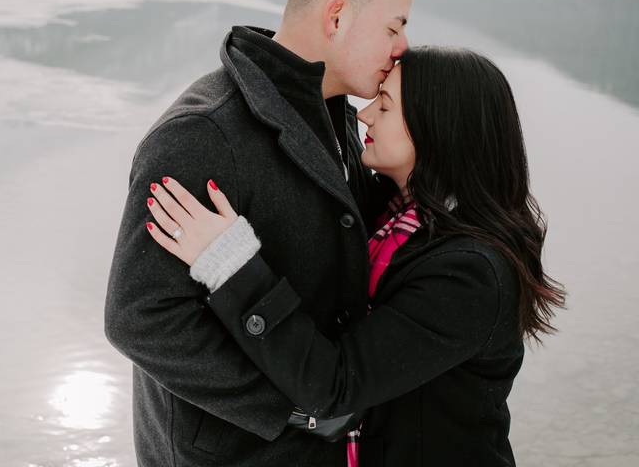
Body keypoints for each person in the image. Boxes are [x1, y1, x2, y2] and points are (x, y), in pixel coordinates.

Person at [143, 47, 566, 466]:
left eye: (384, 104)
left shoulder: (472, 274)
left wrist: (229, 264)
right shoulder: (391, 217)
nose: (364, 115)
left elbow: (336, 385)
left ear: (437, 126)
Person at [104, 0, 414, 466]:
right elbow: (138, 316)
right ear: (337, 16)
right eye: (394, 26)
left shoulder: (333, 112)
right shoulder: (203, 133)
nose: (402, 46)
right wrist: (295, 408)